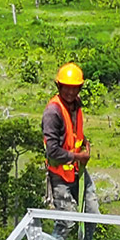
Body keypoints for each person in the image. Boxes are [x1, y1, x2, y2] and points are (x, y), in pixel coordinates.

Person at [40, 61, 91, 211]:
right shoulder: (53, 112)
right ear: (59, 86)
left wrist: (84, 143)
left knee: (92, 211)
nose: (71, 92)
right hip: (59, 175)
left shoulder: (76, 105)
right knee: (66, 220)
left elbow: (72, 133)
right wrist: (78, 157)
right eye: (67, 87)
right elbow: (52, 150)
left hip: (76, 170)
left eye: (75, 88)